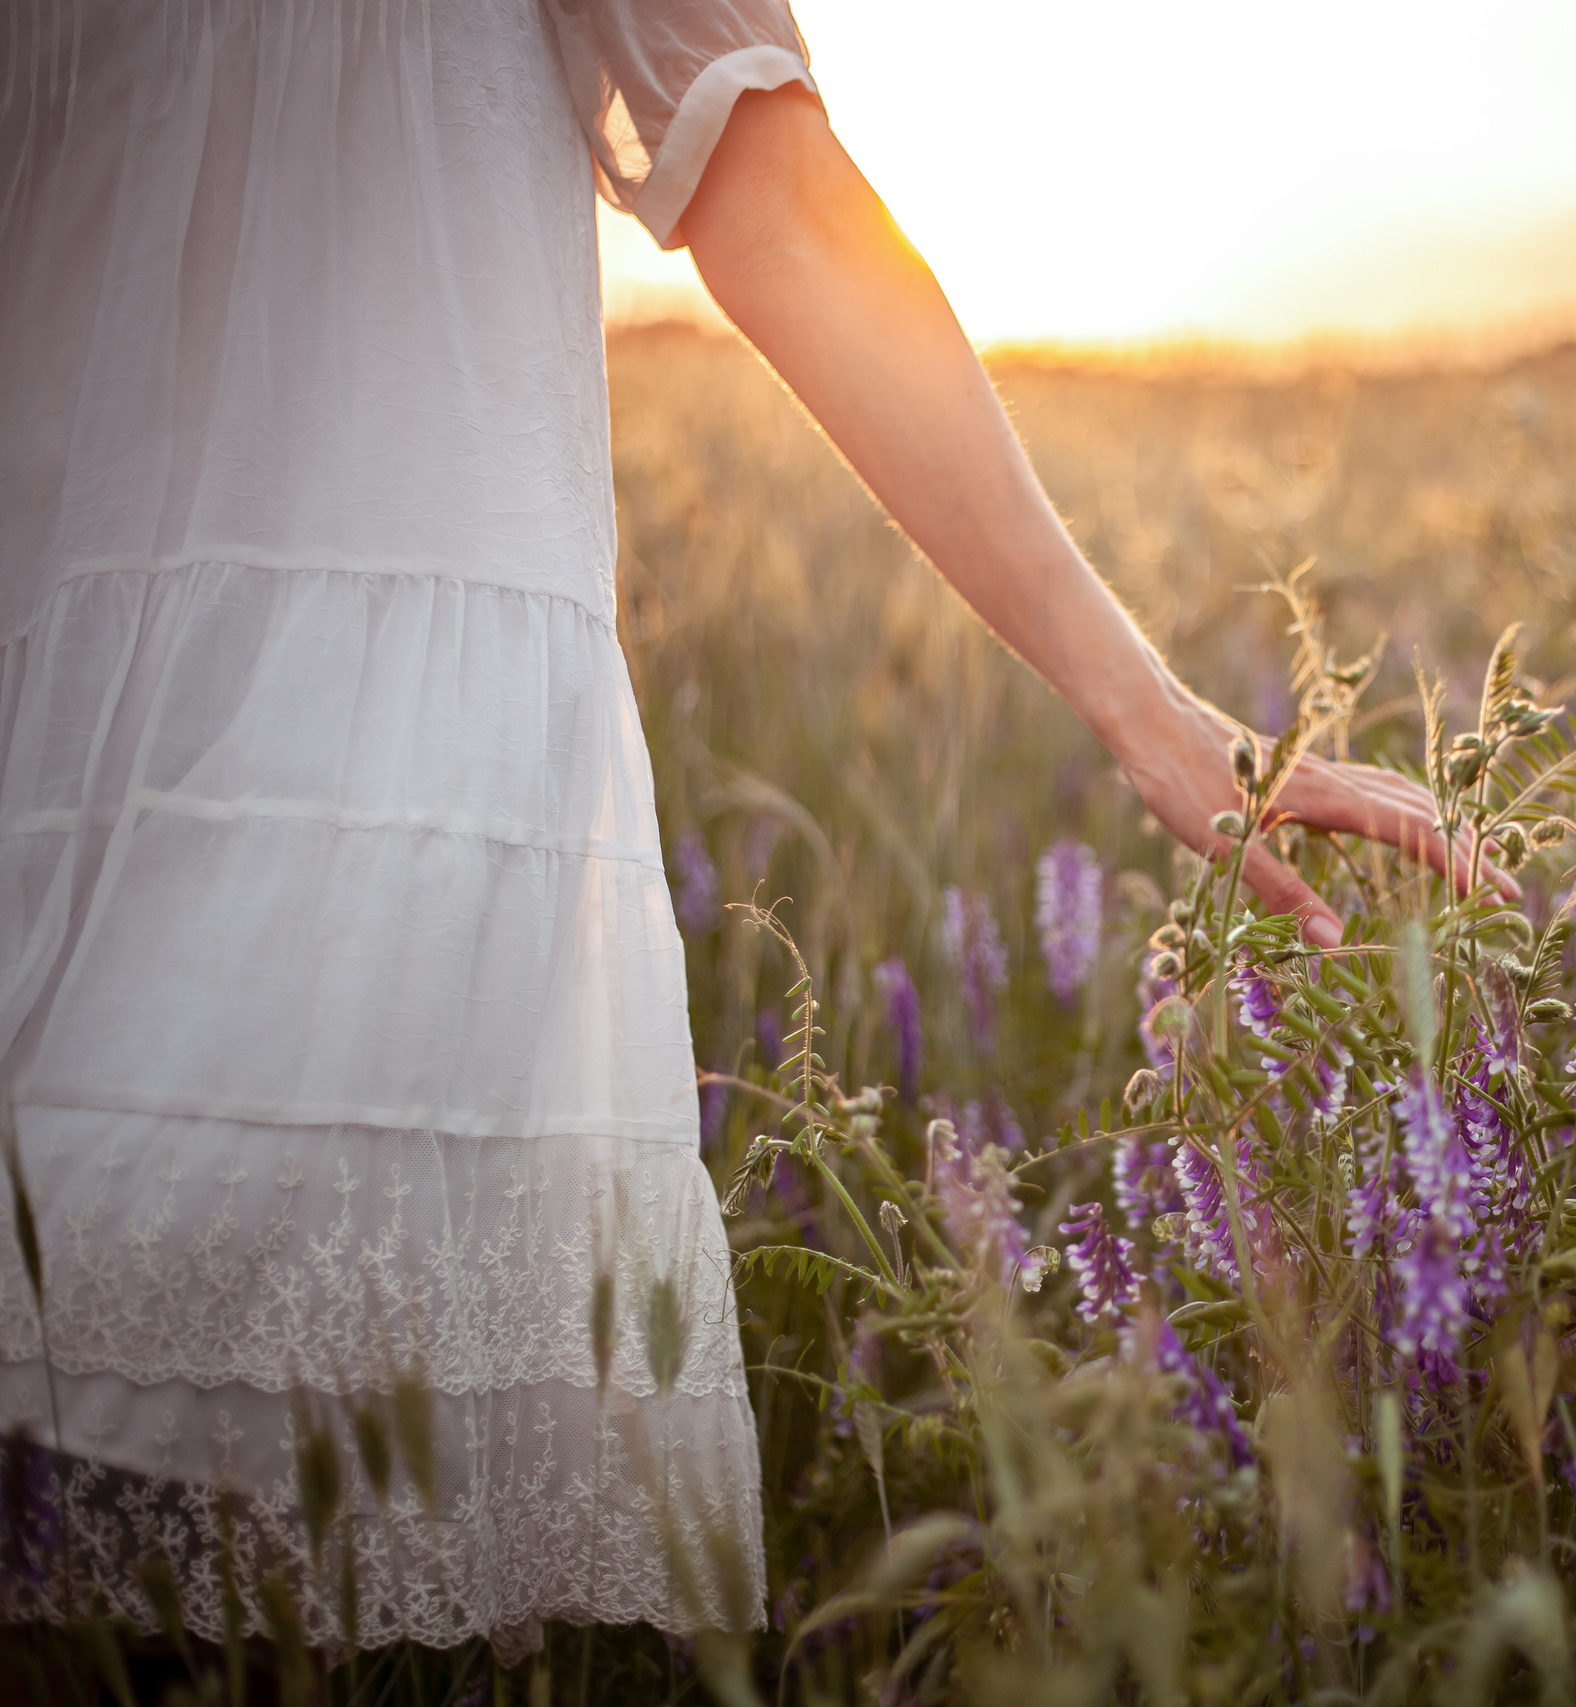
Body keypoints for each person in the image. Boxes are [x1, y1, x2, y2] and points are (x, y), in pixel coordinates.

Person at [0, 0, 1466, 1660]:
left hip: (308, 748)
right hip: (262, 734)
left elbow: (781, 209)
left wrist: (1154, 711)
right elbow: (777, 202)